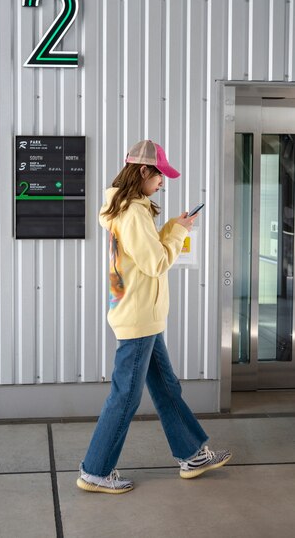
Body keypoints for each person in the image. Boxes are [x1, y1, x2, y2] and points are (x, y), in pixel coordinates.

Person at [77, 139, 231, 494]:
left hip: (143, 314)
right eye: (160, 174)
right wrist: (179, 233)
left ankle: (192, 454)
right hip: (138, 317)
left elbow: (142, 253)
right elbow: (155, 262)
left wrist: (171, 228)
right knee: (125, 397)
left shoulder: (132, 209)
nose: (163, 181)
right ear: (144, 170)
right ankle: (94, 471)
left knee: (165, 387)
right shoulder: (132, 212)